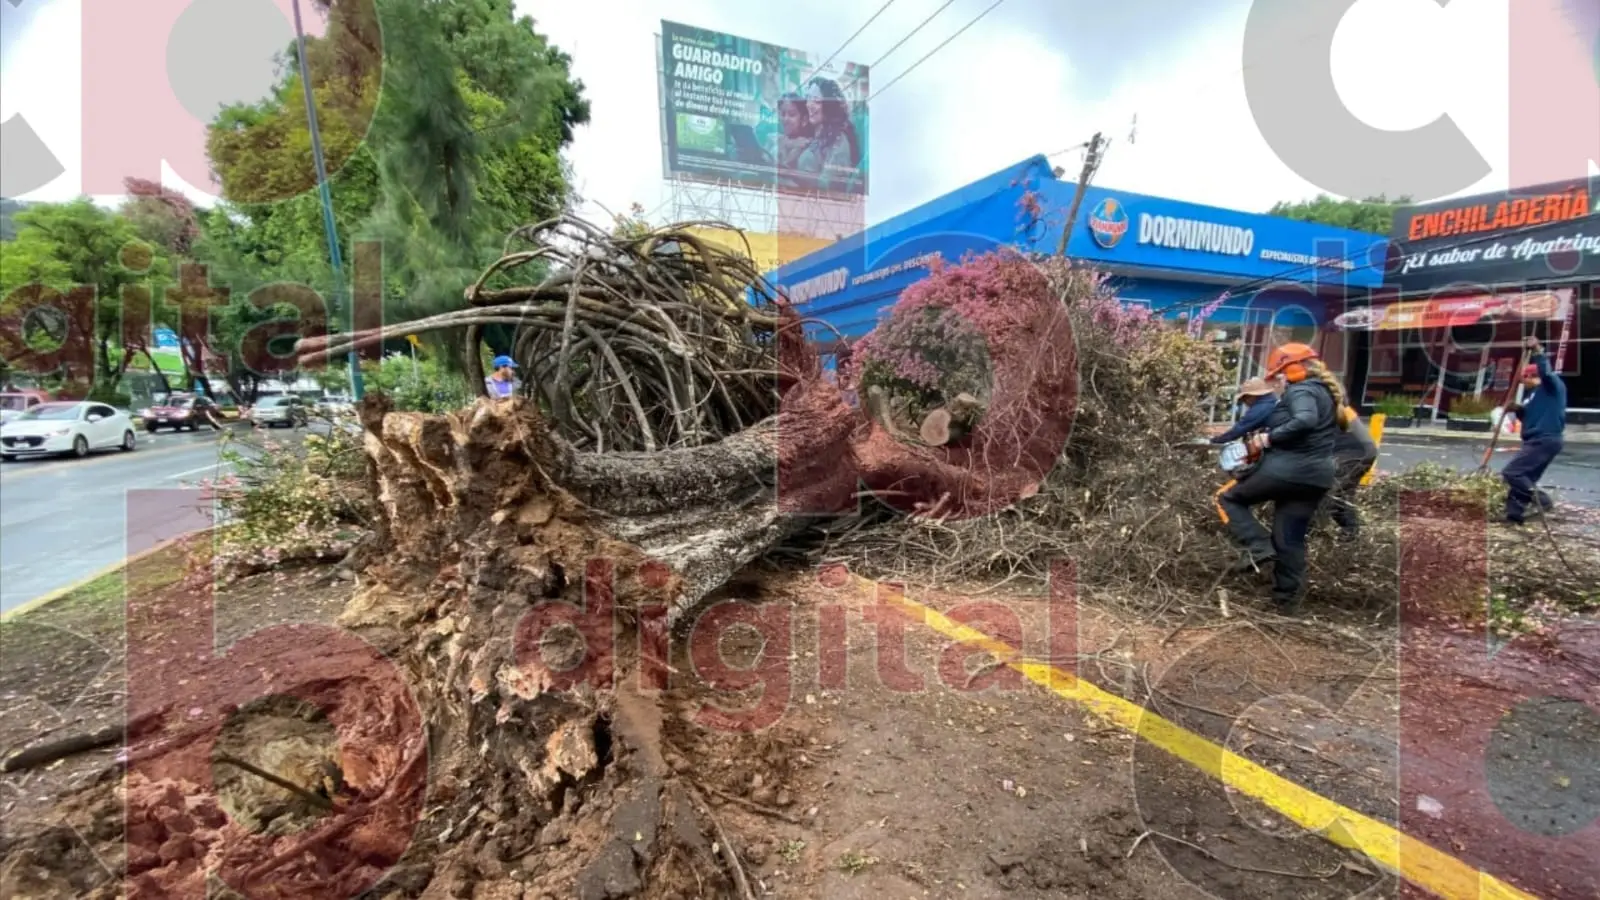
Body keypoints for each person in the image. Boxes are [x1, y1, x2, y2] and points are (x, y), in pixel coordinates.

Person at [1216, 342, 1344, 612]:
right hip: (1316, 477)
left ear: (1295, 369)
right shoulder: (1326, 393)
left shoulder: (1302, 390)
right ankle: (1286, 604)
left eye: (1281, 374)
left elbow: (1305, 420)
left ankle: (1258, 545)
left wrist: (1268, 438)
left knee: (1228, 498)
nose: (1280, 381)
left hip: (1286, 470)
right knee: (1289, 540)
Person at [1501, 335, 1566, 524]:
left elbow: (1546, 372)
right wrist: (1518, 410)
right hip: (1534, 439)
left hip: (1545, 439)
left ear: (1531, 376)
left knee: (1513, 473)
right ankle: (1514, 517)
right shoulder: (1533, 395)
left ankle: (1542, 501)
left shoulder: (1552, 387)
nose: (1523, 383)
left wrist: (1537, 351)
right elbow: (1530, 417)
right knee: (1523, 478)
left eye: (1524, 379)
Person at [798, 77, 861, 192]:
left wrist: (795, 177)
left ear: (829, 106)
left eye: (816, 101)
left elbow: (830, 186)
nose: (809, 105)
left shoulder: (839, 141)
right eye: (808, 98)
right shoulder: (809, 134)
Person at [1322, 411, 1379, 539]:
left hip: (1348, 452)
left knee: (1325, 495)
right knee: (1341, 495)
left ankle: (1309, 534)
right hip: (1364, 449)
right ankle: (1351, 533)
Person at [1211, 378, 1278, 445]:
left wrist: (1215, 441)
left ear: (1252, 396)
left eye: (1244, 399)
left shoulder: (1261, 408)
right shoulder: (1271, 403)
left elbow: (1239, 430)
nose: (1244, 402)